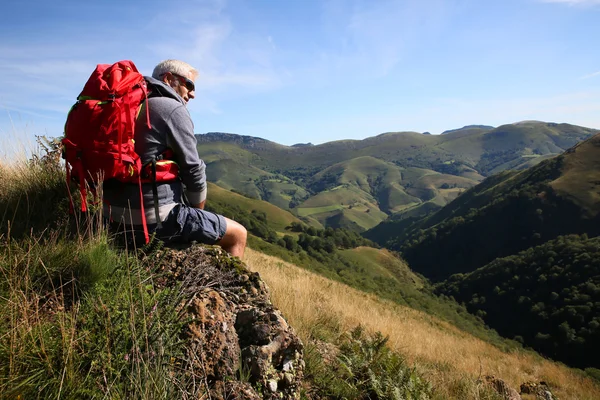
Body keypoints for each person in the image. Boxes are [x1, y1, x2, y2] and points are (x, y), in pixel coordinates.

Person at [103, 59, 247, 258]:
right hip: (154, 220)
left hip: (109, 216)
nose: (193, 94)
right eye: (189, 85)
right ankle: (234, 288)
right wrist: (198, 212)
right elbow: (194, 170)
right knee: (238, 234)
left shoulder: (125, 105)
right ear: (169, 79)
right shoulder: (172, 108)